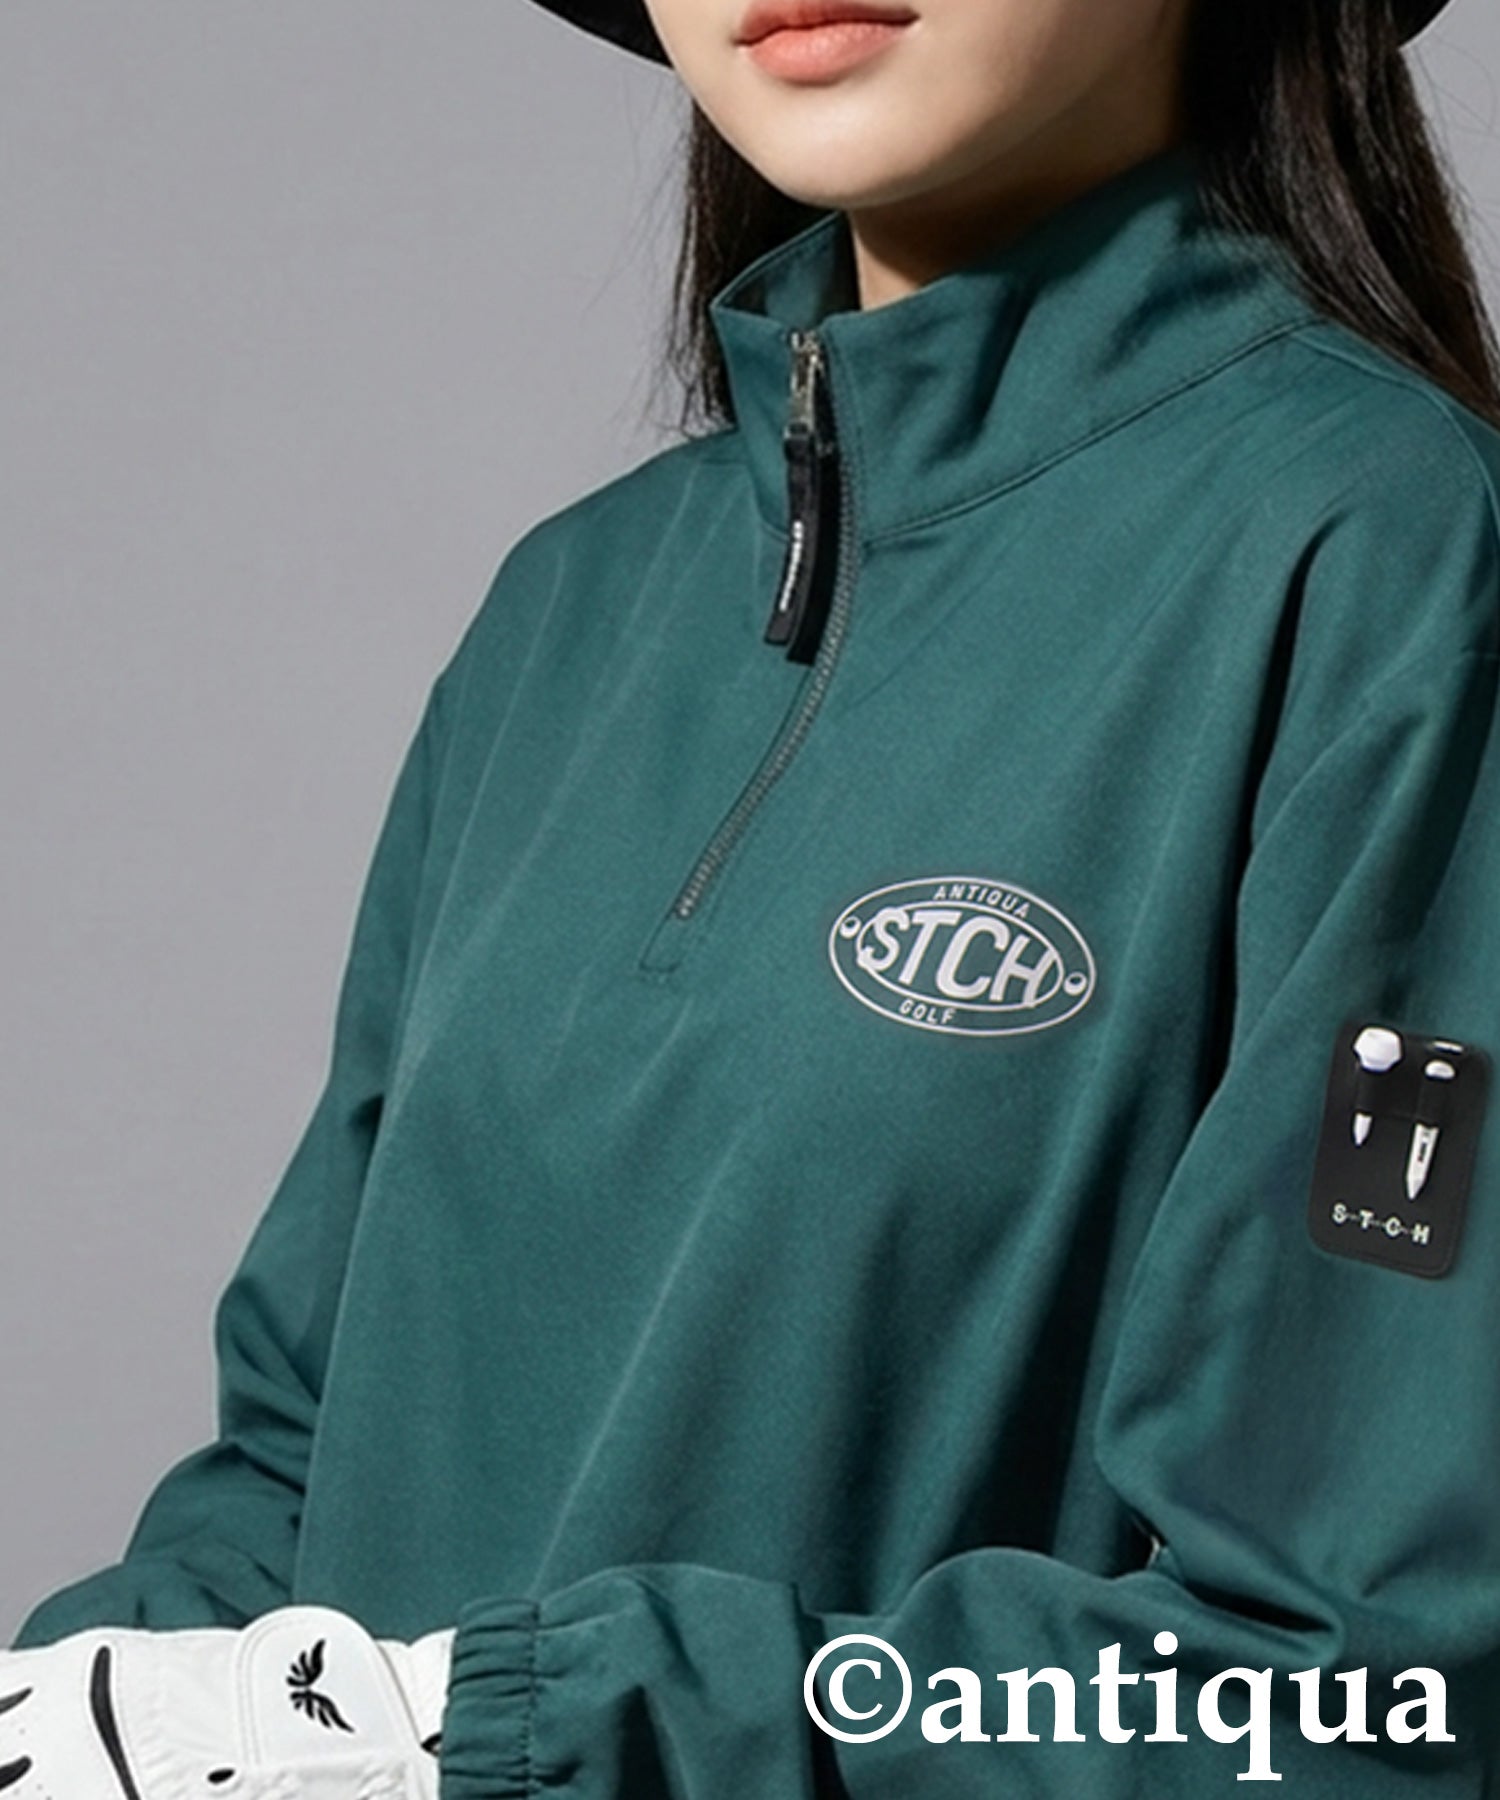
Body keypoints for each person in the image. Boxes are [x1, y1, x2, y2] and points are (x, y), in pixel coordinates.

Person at [7, 0, 1500, 1791]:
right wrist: (104, 1699)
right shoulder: (566, 612)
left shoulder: (1394, 570)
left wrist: (518, 1731)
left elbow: (1362, 1689)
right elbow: (298, 1468)